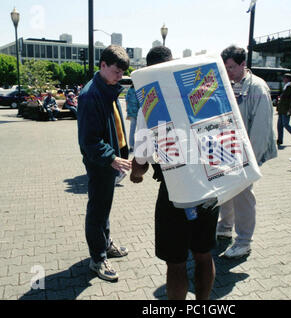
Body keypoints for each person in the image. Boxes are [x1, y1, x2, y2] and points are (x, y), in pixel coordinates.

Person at [130, 46, 220, 300]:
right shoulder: (201, 93)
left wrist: (137, 172)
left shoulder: (150, 102)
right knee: (203, 255)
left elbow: (141, 159)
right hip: (209, 185)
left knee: (176, 262)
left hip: (175, 190)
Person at [216, 45, 277, 258]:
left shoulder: (258, 88)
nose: (228, 72)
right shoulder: (229, 84)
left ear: (243, 64)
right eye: (225, 68)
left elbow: (261, 128)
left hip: (246, 153)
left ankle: (244, 241)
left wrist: (251, 160)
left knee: (243, 196)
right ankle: (225, 227)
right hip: (228, 150)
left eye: (231, 67)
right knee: (227, 191)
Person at [77, 45, 132, 282]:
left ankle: (105, 244)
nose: (120, 76)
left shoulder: (108, 87)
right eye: (116, 71)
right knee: (97, 210)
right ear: (102, 66)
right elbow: (89, 141)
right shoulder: (91, 95)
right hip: (101, 162)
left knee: (104, 207)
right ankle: (97, 259)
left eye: (122, 72)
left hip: (110, 161)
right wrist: (110, 157)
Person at [125, 83, 140, 153]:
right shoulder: (139, 89)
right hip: (139, 112)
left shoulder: (130, 90)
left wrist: (127, 110)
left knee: (132, 129)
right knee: (140, 129)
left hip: (132, 112)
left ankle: (131, 146)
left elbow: (127, 100)